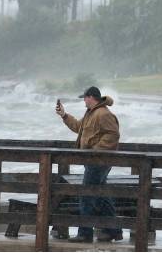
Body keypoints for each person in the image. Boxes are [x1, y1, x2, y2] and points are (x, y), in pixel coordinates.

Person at [55, 86, 124, 243]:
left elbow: (113, 135)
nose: (83, 101)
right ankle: (114, 231)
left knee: (86, 195)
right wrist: (64, 115)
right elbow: (79, 128)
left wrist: (95, 151)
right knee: (101, 196)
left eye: (84, 98)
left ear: (91, 97)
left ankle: (85, 233)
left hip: (98, 161)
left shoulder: (104, 114)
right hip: (94, 161)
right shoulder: (91, 113)